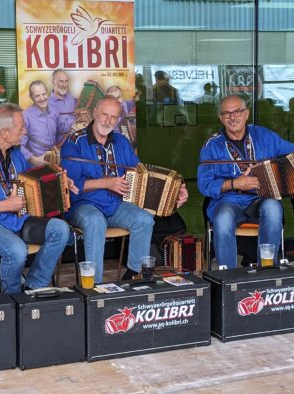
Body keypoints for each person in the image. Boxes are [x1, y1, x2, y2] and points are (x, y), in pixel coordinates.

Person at [62, 97, 186, 283]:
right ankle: (94, 284)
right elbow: (71, 187)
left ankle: (134, 275)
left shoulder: (121, 141)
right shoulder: (74, 142)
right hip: (83, 205)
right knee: (96, 222)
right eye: (105, 115)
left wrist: (174, 190)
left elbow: (140, 174)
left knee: (144, 219)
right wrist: (106, 183)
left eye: (113, 117)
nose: (108, 121)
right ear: (94, 112)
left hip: (115, 205)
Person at [0, 103, 71, 294]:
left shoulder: (15, 154)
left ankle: (34, 286)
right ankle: (11, 298)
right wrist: (6, 205)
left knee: (60, 229)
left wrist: (61, 181)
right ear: (5, 133)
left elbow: (32, 179)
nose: (25, 131)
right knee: (16, 250)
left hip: (15, 220)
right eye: (21, 128)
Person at [198, 95, 294, 269]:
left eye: (237, 111)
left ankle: (267, 269)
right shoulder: (211, 146)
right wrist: (235, 184)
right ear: (220, 117)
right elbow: (204, 184)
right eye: (226, 113)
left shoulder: (264, 135)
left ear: (246, 113)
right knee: (223, 218)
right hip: (228, 200)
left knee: (273, 209)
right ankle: (228, 276)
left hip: (261, 197)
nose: (232, 117)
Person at [21, 80, 65, 165]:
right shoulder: (25, 117)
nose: (42, 98)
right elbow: (18, 146)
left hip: (54, 163)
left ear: (47, 93)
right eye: (37, 96)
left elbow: (59, 134)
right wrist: (34, 160)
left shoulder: (54, 110)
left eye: (44, 94)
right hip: (36, 166)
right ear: (31, 98)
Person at [48, 69, 77, 137]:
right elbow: (55, 128)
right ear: (54, 82)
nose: (64, 85)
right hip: (59, 142)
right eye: (61, 81)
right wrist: (74, 123)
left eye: (66, 81)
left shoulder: (73, 100)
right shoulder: (47, 104)